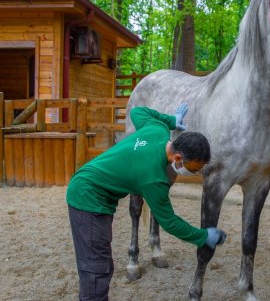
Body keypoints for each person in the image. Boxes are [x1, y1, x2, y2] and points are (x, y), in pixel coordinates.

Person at [66, 104, 227, 301]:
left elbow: (137, 111)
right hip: (88, 197)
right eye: (192, 169)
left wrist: (171, 120)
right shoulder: (154, 179)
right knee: (96, 268)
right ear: (178, 157)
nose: (192, 173)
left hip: (93, 189)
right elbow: (169, 222)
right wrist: (202, 236)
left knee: (102, 261)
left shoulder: (157, 129)